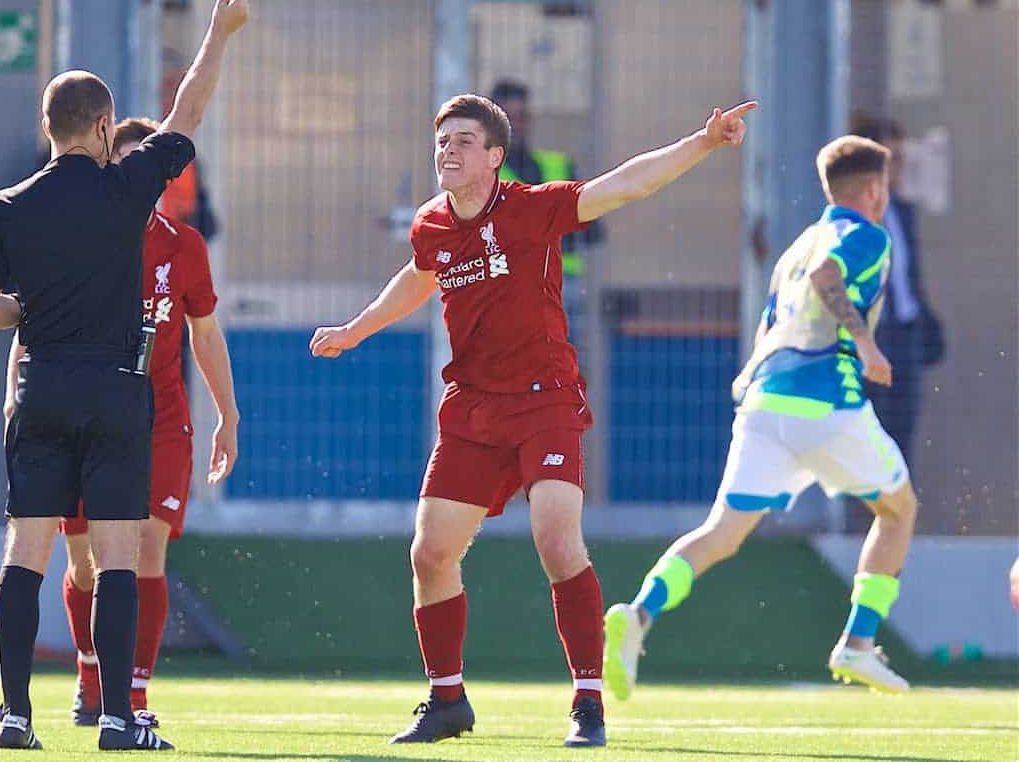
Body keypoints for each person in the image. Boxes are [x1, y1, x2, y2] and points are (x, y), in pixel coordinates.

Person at [311, 94, 755, 747]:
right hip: (471, 407)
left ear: (495, 157)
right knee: (431, 554)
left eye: (465, 141)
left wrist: (703, 141)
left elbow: (625, 185)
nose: (449, 151)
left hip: (544, 398)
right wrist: (355, 329)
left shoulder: (529, 207)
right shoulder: (432, 223)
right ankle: (446, 701)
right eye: (443, 141)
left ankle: (588, 702)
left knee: (555, 540)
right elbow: (419, 274)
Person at [0, 0, 249, 752]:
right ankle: (120, 719)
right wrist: (218, 32)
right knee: (120, 560)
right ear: (101, 127)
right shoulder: (129, 192)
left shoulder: (8, 205)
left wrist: (36, 312)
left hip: (43, 386)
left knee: (25, 552)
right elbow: (186, 113)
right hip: (117, 393)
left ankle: (16, 718)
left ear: (45, 129)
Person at [603, 135, 920, 703]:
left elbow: (776, 313)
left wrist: (749, 372)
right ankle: (859, 642)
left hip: (764, 404)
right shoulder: (866, 235)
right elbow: (829, 277)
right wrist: (868, 345)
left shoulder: (798, 244)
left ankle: (639, 613)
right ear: (874, 190)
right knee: (898, 510)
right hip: (827, 404)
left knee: (721, 534)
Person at [0, 115, 240, 727]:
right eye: (127, 161)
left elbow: (205, 335)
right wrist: (14, 393)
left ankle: (131, 699)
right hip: (86, 411)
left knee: (143, 552)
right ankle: (91, 674)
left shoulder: (183, 245)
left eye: (149, 165)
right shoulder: (85, 239)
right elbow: (35, 321)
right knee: (84, 563)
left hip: (158, 418)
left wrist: (228, 416)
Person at [852, 118, 944, 462]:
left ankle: (900, 512)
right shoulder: (854, 218)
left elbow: (910, 275)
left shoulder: (902, 211)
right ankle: (864, 513)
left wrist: (925, 315)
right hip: (872, 334)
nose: (896, 169)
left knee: (902, 433)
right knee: (868, 433)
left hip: (905, 332)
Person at [489, 79, 604, 329]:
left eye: (521, 117)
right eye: (506, 118)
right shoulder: (484, 178)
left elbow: (593, 230)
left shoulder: (559, 166)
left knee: (558, 363)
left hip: (563, 288)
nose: (514, 126)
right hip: (507, 289)